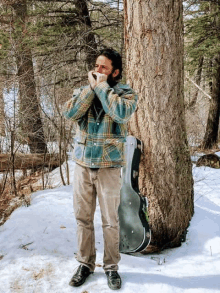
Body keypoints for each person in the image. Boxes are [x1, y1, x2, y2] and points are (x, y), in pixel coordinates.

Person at [63, 48, 138, 290]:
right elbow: (71, 112)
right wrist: (91, 90)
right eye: (97, 66)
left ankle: (111, 267)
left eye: (104, 67)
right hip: (83, 165)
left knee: (110, 221)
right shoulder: (84, 91)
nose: (98, 71)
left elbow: (121, 114)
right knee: (82, 218)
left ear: (115, 72)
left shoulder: (125, 94)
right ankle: (85, 264)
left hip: (109, 167)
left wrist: (102, 89)